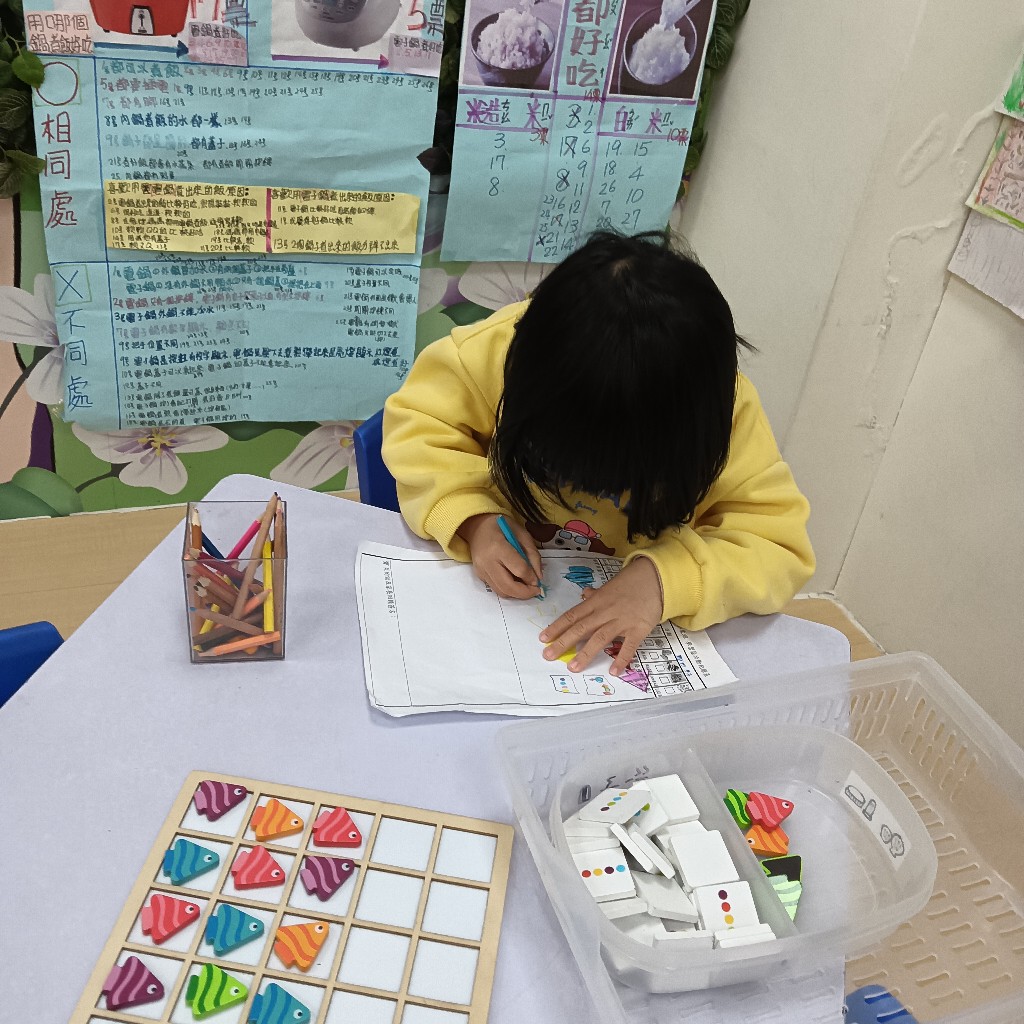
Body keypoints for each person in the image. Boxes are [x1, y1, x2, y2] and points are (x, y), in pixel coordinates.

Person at [382, 231, 814, 677]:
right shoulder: (493, 355)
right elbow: (420, 427)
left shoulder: (722, 415)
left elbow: (776, 546)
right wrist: (473, 519)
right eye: (556, 464)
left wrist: (665, 581)